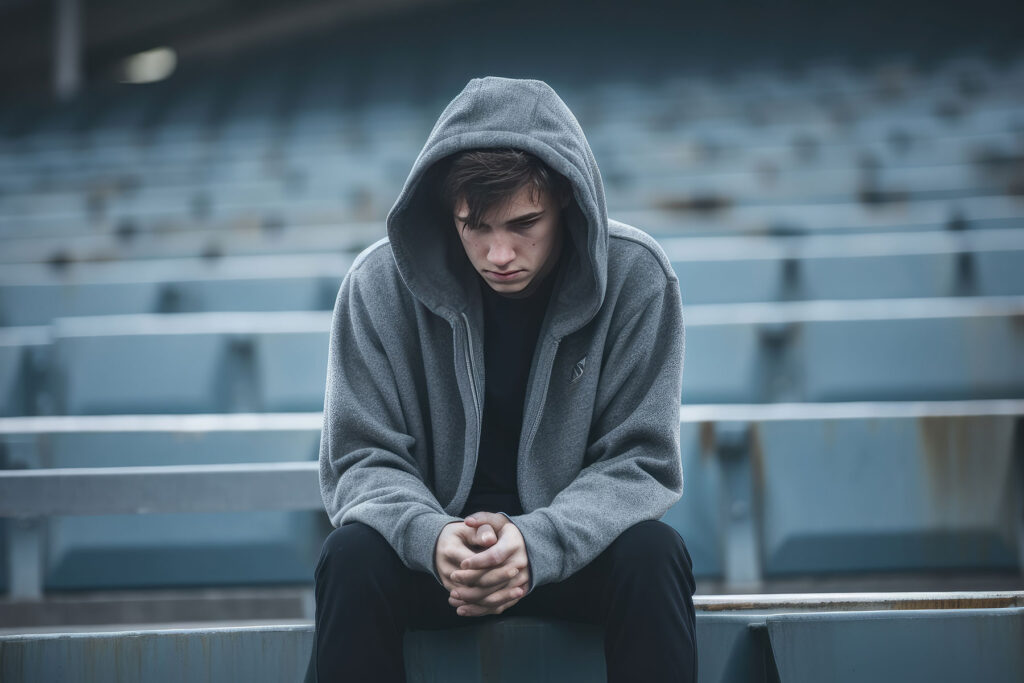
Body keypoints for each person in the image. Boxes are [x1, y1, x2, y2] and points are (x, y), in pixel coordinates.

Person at [308, 76, 696, 682]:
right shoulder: (376, 286)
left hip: (572, 553)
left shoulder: (638, 278)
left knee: (654, 555)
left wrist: (536, 544)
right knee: (351, 557)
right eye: (475, 227)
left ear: (565, 197)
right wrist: (433, 539)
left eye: (523, 224)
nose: (499, 255)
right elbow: (360, 458)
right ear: (447, 212)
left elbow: (641, 462)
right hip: (439, 563)